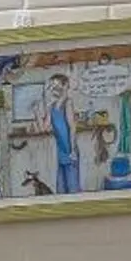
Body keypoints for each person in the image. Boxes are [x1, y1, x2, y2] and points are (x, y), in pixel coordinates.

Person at [42, 67, 81, 196]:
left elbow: (72, 127)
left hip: (70, 151)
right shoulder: (52, 106)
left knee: (73, 188)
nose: (53, 88)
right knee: (61, 189)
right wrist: (43, 107)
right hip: (60, 152)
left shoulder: (68, 103)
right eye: (52, 86)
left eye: (56, 85)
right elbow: (45, 127)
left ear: (65, 86)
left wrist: (73, 150)